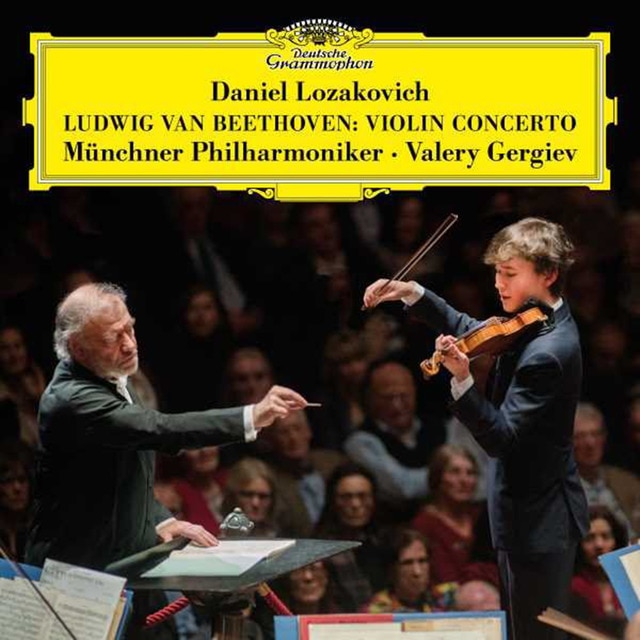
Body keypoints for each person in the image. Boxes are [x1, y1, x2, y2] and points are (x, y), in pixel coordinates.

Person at [24, 282, 308, 639]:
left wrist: (160, 519)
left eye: (130, 328)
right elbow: (158, 429)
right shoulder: (72, 399)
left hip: (129, 569)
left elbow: (120, 478)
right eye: (114, 337)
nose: (130, 343)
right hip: (80, 579)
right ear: (78, 348)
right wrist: (252, 415)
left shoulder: (111, 374)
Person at [363, 216, 589, 640]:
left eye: (509, 274)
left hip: (539, 523)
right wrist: (412, 293)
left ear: (548, 274)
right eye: (497, 272)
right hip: (528, 515)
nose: (499, 284)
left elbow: (501, 438)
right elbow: (478, 331)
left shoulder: (550, 352)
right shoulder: (539, 316)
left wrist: (463, 380)